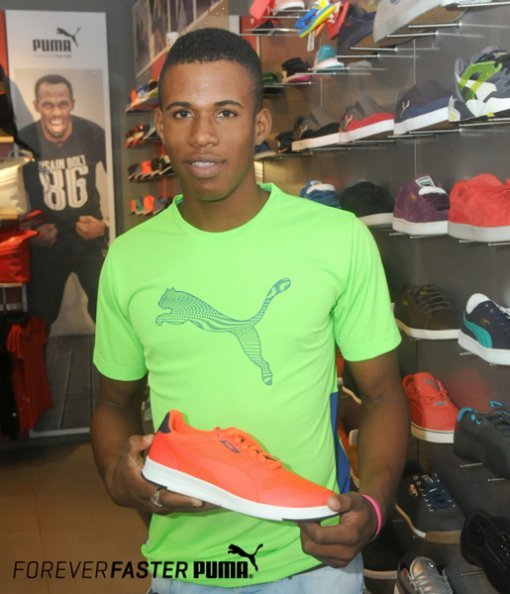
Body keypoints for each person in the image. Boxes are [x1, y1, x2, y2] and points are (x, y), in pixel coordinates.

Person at [91, 28, 409, 593]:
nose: (202, 136)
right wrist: (121, 477)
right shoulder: (128, 258)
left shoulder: (338, 239)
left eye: (226, 112)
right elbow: (114, 402)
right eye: (183, 113)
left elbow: (383, 393)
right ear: (159, 124)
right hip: (186, 569)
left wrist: (376, 505)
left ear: (260, 125)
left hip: (313, 562)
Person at [18, 74, 109, 334]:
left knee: (107, 309)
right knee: (39, 316)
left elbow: (121, 181)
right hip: (48, 240)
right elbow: (11, 195)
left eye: (63, 104)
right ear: (37, 106)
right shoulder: (24, 140)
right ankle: (37, 363)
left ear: (72, 104)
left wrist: (104, 226)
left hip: (88, 236)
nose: (56, 112)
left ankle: (116, 359)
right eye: (48, 104)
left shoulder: (92, 133)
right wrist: (31, 232)